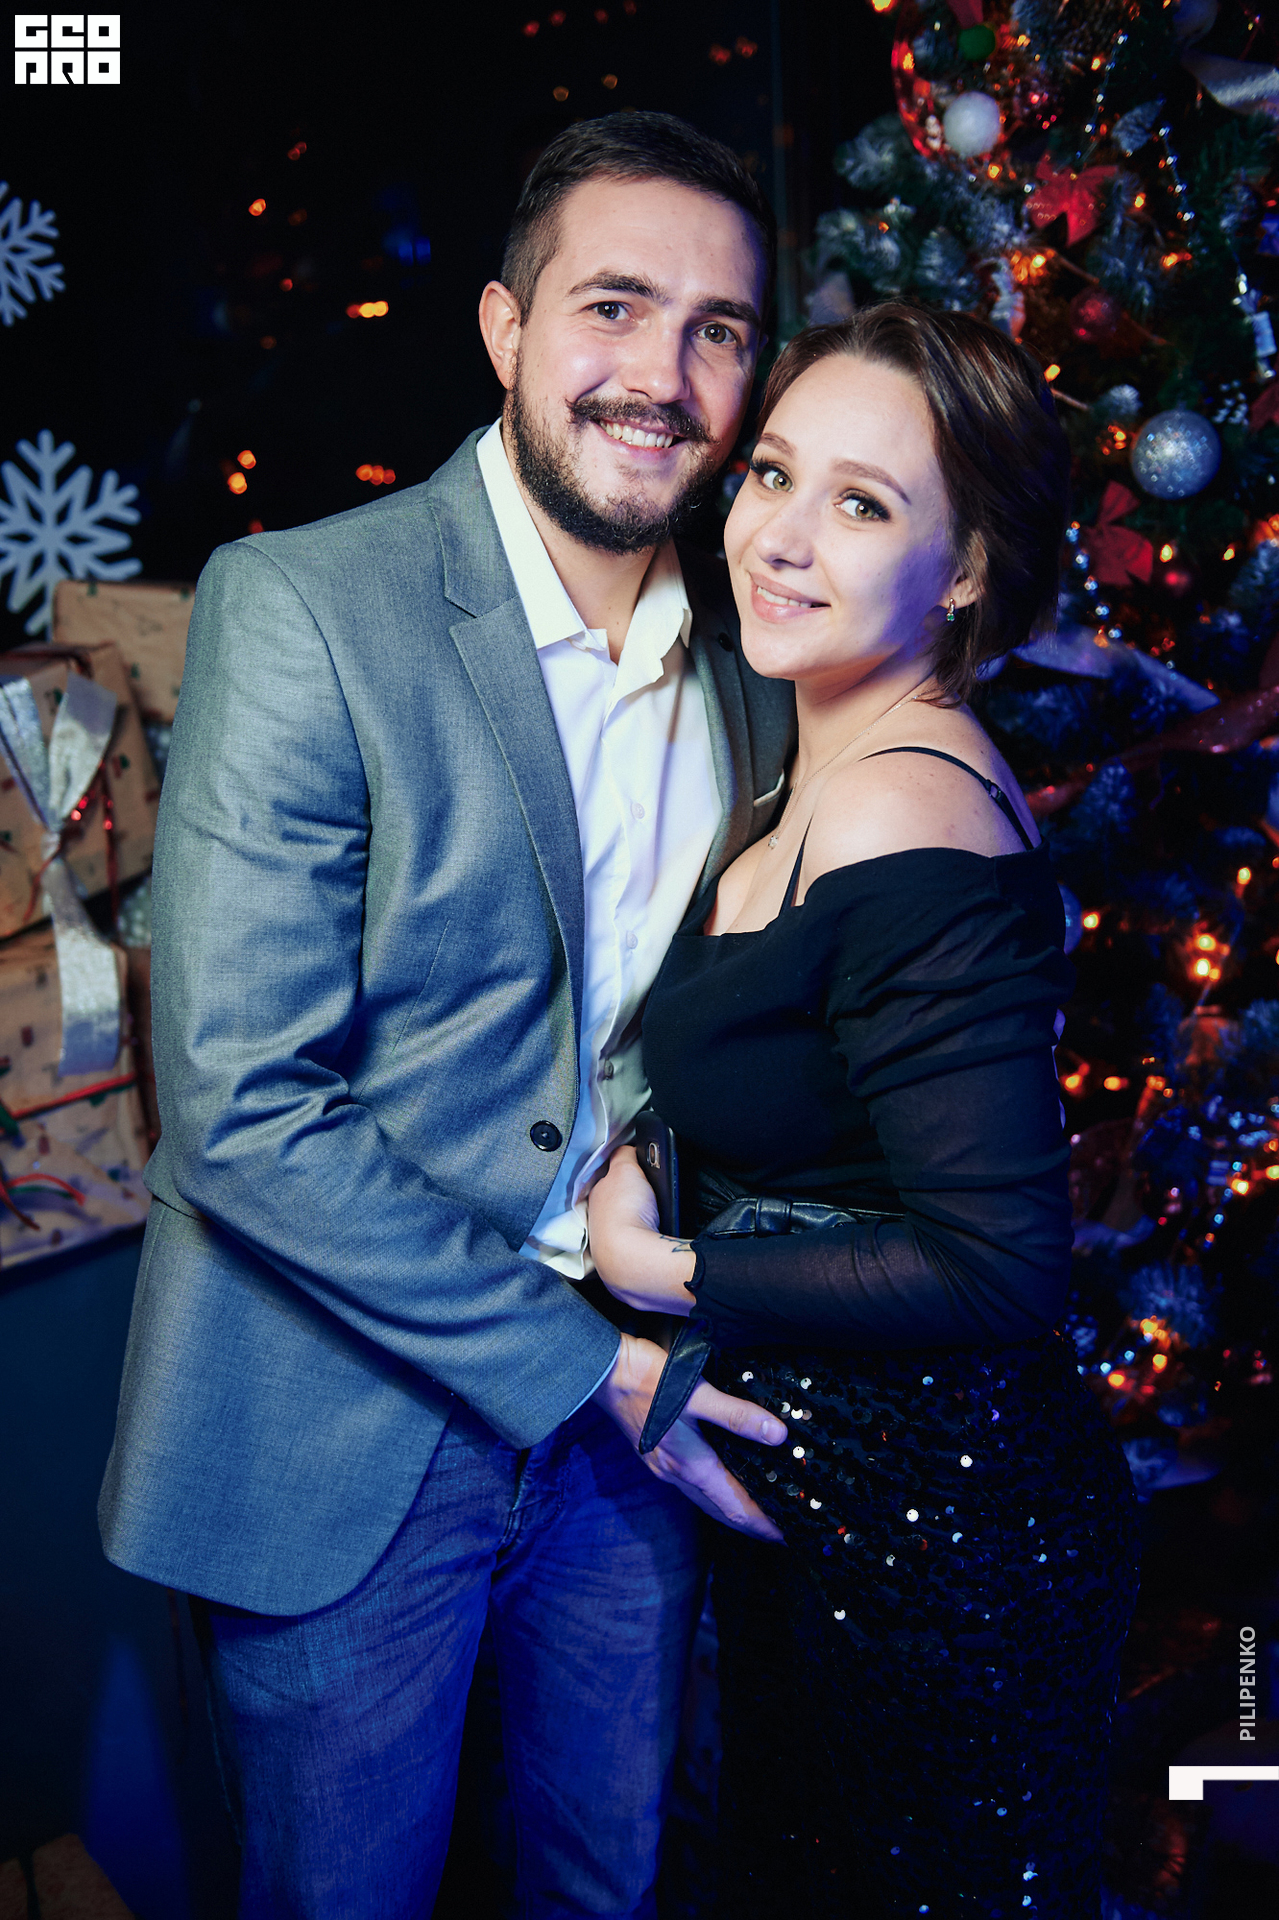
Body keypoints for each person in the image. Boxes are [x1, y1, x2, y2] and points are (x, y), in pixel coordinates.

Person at [97, 111, 794, 1920]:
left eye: (717, 330)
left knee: (604, 1887)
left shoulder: (760, 655)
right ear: (503, 328)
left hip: (631, 1429)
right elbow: (243, 1107)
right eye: (614, 307)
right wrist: (586, 1368)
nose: (662, 377)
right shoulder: (307, 605)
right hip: (349, 1422)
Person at [588, 304, 1142, 1919]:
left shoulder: (901, 802)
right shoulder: (819, 763)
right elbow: (806, 1093)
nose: (779, 535)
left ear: (963, 570)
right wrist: (651, 1159)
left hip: (940, 1551)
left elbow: (998, 1266)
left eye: (862, 503)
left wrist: (659, 1268)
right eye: (773, 474)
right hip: (842, 1531)